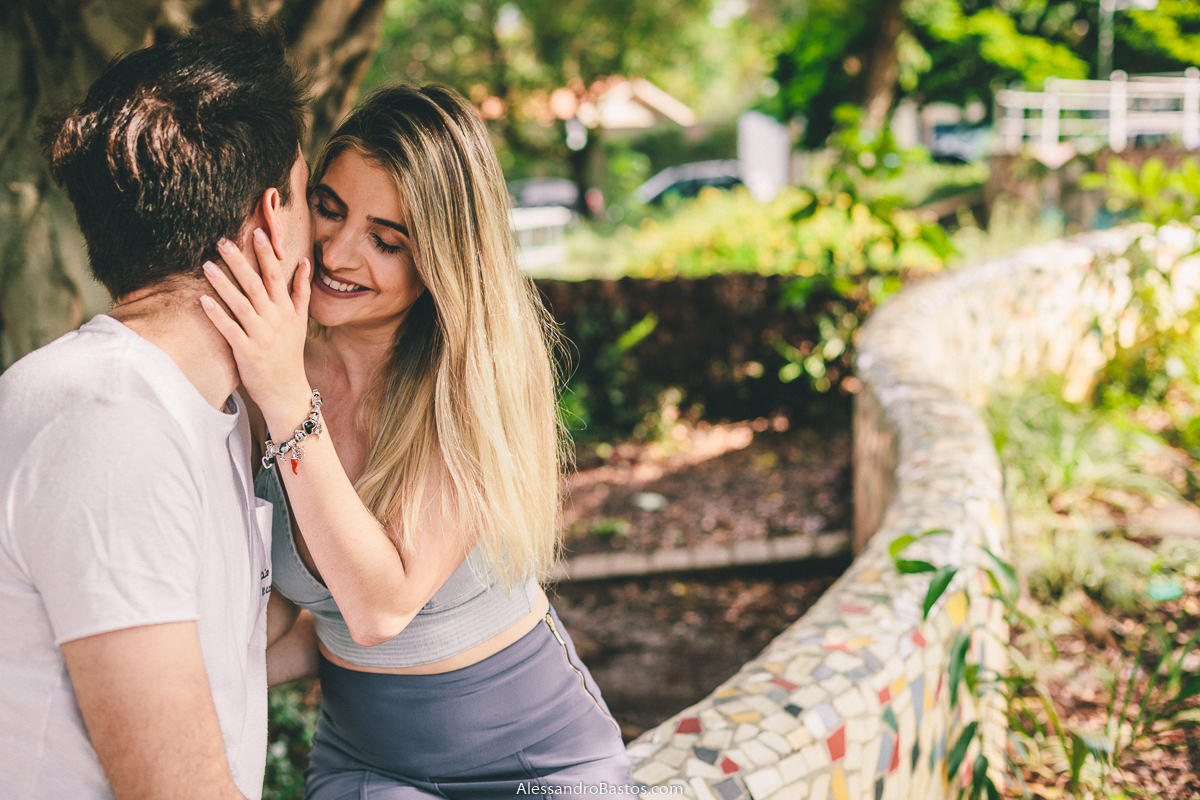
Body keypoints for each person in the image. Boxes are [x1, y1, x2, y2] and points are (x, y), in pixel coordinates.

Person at [201, 84, 635, 798]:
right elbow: (284, 609)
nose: (339, 253)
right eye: (330, 210)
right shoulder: (268, 367)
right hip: (368, 766)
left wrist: (285, 396)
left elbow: (379, 609)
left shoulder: (469, 383)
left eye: (386, 239)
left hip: (537, 764)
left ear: (442, 257)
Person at [0, 23, 313, 799]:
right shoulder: (109, 423)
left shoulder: (199, 407)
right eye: (316, 204)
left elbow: (215, 641)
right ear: (270, 222)